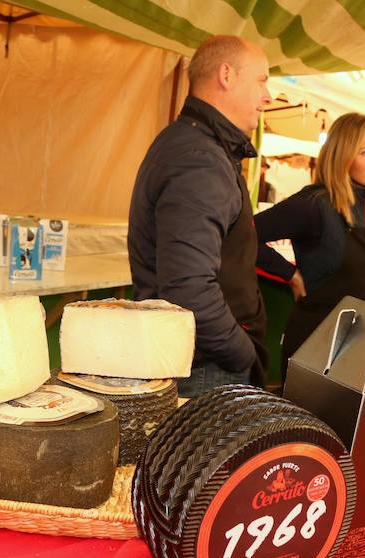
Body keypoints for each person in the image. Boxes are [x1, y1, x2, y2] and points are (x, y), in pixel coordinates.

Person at [127, 35, 272, 397]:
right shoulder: (199, 158)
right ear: (227, 75)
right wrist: (243, 353)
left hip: (201, 360)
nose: (268, 96)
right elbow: (188, 289)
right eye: (262, 80)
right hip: (206, 367)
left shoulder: (192, 144)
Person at [255, 113, 365, 377]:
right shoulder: (315, 205)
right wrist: (289, 274)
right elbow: (243, 234)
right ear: (342, 156)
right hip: (318, 353)